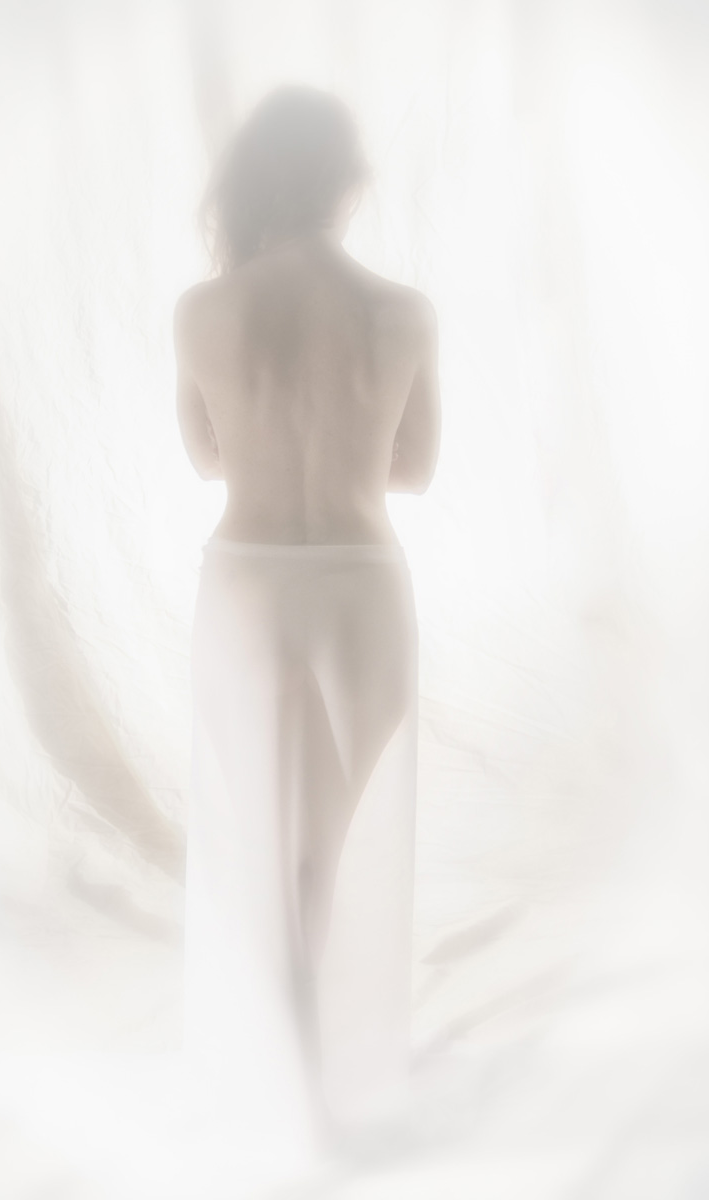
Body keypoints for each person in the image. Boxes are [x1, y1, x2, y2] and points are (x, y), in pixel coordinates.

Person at [173, 84, 441, 1180]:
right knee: (318, 860)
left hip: (249, 578)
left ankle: (293, 1095)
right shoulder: (401, 312)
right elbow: (415, 469)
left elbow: (206, 458)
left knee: (262, 852)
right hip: (361, 582)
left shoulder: (204, 311)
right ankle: (317, 1081)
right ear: (344, 183)